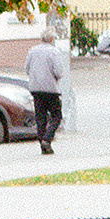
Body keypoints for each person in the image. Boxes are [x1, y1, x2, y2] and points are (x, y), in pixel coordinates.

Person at [25, 24, 65, 155]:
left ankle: (43, 144)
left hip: (36, 89)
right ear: (52, 39)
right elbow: (58, 72)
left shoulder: (32, 51)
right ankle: (47, 139)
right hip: (51, 89)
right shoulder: (54, 52)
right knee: (56, 116)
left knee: (40, 117)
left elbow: (27, 69)